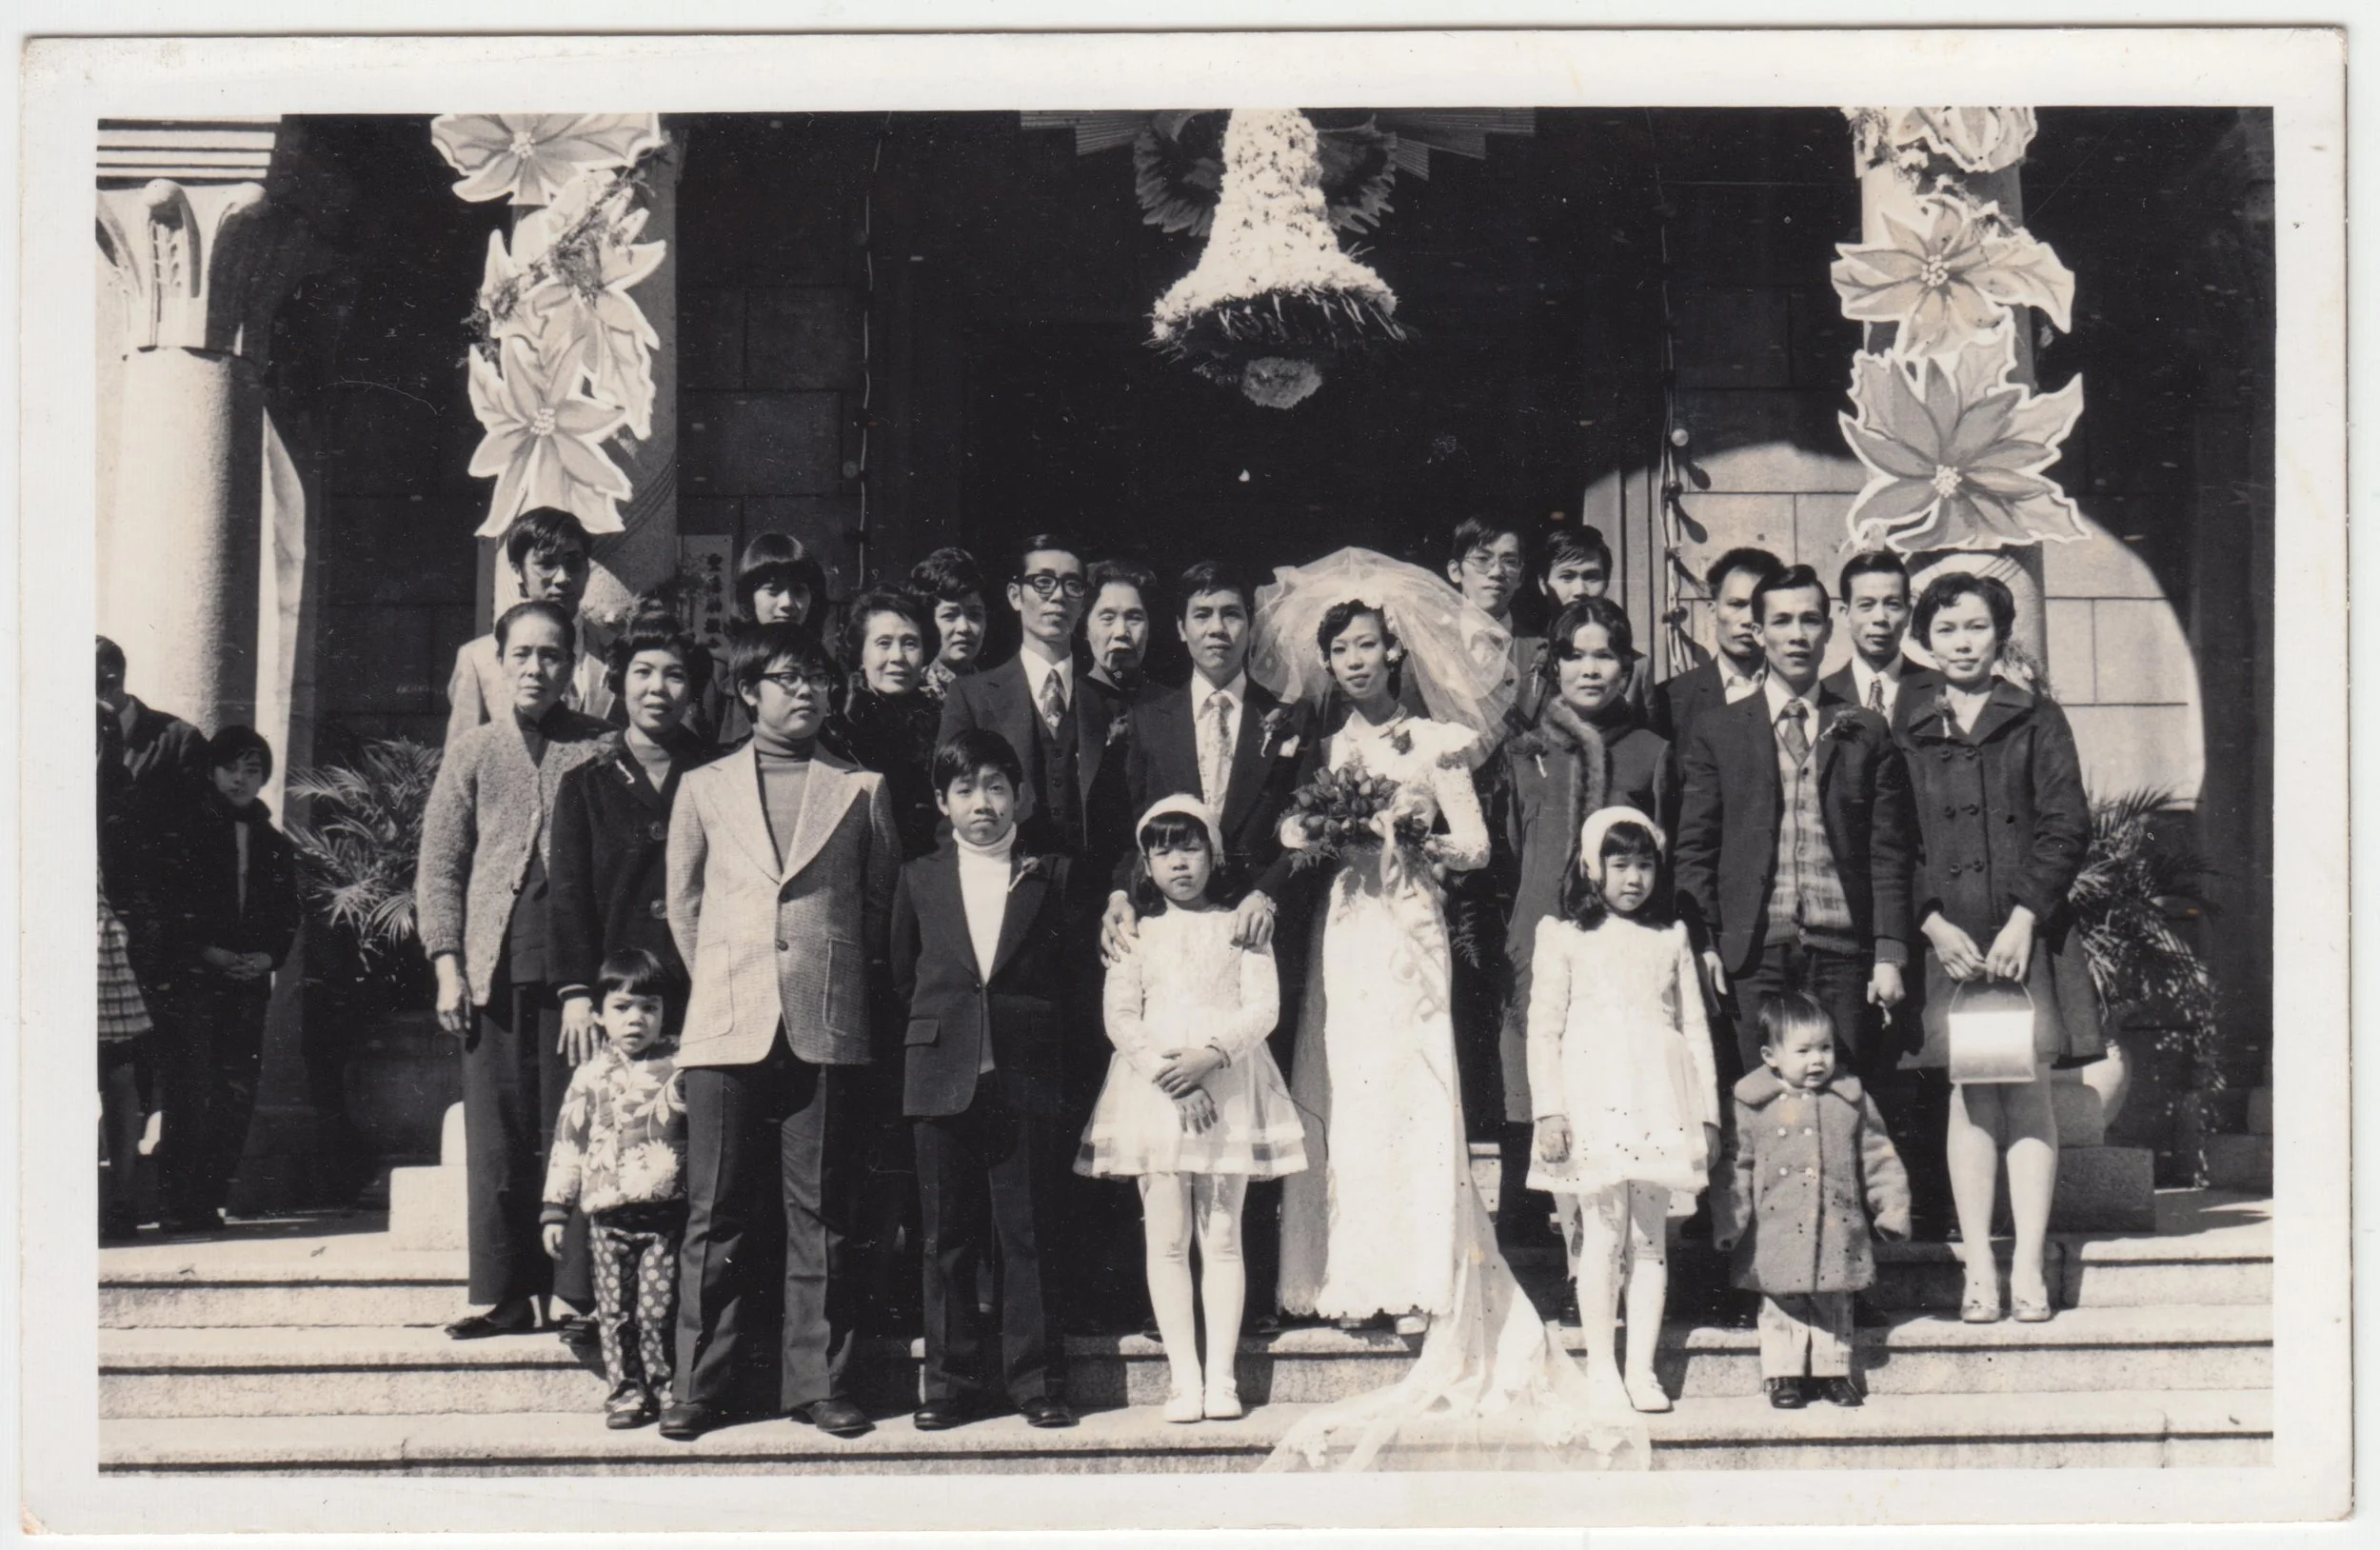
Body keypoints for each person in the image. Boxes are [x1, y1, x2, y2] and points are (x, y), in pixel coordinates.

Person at [1247, 547, 1644, 1474]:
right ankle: (1351, 1276)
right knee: (1348, 1089)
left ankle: (1425, 1275)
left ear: (1395, 650)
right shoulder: (1321, 744)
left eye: (1367, 645)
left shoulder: (1434, 743)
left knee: (1416, 1092)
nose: (1354, 660)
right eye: (1339, 647)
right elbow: (1290, 833)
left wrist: (1420, 831)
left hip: (1413, 927)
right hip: (1347, 931)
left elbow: (1474, 846)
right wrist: (1320, 835)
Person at [664, 623, 899, 1441]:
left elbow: (876, 908)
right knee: (715, 1211)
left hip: (826, 1022)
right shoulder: (703, 786)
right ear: (748, 690)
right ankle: (697, 1385)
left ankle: (820, 1384)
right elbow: (685, 904)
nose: (806, 692)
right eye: (787, 678)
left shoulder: (861, 787)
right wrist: (731, 980)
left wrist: (820, 982)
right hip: (726, 1022)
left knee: (823, 1212)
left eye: (819, 680)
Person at [1098, 559, 1316, 1332]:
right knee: (1166, 1127)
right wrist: (1124, 890)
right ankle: (1165, 1309)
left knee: (1244, 1115)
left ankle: (1246, 1306)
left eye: (1230, 613)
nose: (1217, 629)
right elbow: (1129, 825)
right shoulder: (1150, 716)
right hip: (1169, 941)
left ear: (1249, 627)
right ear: (1181, 629)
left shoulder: (1284, 719)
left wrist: (1269, 892)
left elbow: (1307, 827)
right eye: (1202, 616)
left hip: (1250, 937)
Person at [1894, 570, 2097, 1325]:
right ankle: (1978, 1263)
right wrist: (1932, 925)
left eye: (1975, 627)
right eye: (1945, 630)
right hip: (1952, 946)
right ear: (1927, 639)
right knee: (1971, 1097)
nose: (1961, 642)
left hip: (2024, 941)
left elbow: (2064, 824)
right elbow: (1892, 839)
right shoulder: (1909, 727)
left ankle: (2029, 1264)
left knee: (2028, 1094)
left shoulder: (2038, 719)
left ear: (2001, 634)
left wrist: (2023, 919)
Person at [417, 599, 619, 1340]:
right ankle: (503, 1293)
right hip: (491, 974)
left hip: (577, 977)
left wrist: (601, 985)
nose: (536, 669)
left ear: (573, 668)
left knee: (575, 1129)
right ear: (498, 664)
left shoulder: (602, 747)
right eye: (522, 655)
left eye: (552, 656)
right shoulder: (472, 752)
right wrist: (447, 965)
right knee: (498, 1135)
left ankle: (576, 1295)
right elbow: (439, 865)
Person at [1076, 797, 1306, 1421]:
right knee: (1169, 1236)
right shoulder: (1136, 933)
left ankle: (1222, 1379)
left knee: (1223, 1235)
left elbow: (1263, 1009)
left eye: (1191, 846)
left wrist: (1210, 1055)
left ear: (1215, 854)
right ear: (1146, 864)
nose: (1179, 861)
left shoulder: (1241, 925)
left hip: (1228, 1088)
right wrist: (1168, 1075)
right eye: (1163, 850)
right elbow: (1120, 1017)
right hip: (1155, 1095)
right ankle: (1184, 1378)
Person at [889, 729, 1082, 1432]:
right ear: (942, 802)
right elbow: (902, 976)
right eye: (966, 789)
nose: (983, 804)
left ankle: (1036, 1380)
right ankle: (947, 1384)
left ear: (1021, 799)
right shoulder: (918, 876)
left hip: (1025, 1072)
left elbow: (1071, 978)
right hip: (940, 1072)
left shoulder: (1049, 873)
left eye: (997, 787)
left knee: (1027, 1230)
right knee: (946, 1237)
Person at [1674, 564, 1914, 1088]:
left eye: (1810, 620)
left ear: (1830, 629)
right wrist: (1706, 943)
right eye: (1781, 621)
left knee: (1844, 1097)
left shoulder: (1866, 730)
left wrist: (1889, 952)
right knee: (1759, 1098)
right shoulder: (1720, 731)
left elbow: (1889, 851)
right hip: (1753, 953)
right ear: (1759, 633)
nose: (1797, 635)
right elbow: (1695, 848)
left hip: (1844, 957)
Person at [1499, 597, 1678, 1255]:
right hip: (1538, 944)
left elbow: (1668, 854)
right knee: (1534, 1088)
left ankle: (1614, 1258)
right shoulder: (1525, 752)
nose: (1591, 669)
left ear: (1627, 663)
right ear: (1554, 664)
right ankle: (1532, 1254)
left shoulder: (1652, 751)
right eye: (1575, 655)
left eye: (1606, 654)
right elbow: (1513, 847)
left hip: (1620, 955)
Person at [1526, 808, 1718, 1413]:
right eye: (1619, 864)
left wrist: (1707, 1115)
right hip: (1592, 1097)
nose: (1633, 879)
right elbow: (1542, 1029)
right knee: (1602, 1233)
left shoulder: (1671, 937)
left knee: (1649, 1238)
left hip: (1659, 1099)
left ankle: (1642, 1370)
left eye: (1644, 865)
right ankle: (1603, 1368)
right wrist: (1549, 1110)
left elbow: (1696, 1030)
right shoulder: (1561, 934)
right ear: (1590, 868)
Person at [1713, 992, 1911, 1409]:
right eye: (1803, 1051)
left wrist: (1891, 1207)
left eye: (1825, 1048)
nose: (1817, 1060)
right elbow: (1736, 1165)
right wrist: (1731, 1221)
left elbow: (1879, 1156)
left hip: (1835, 1224)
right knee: (1781, 1301)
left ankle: (1832, 1372)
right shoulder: (1752, 1104)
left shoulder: (1849, 1100)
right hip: (1776, 1225)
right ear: (1771, 1055)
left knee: (1834, 1299)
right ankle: (1782, 1374)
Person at [150, 725, 303, 1234]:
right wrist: (208, 952)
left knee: (237, 1089)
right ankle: (177, 1202)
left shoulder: (273, 842)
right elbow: (170, 902)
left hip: (248, 981)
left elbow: (287, 913)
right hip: (196, 978)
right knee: (191, 1086)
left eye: (252, 769)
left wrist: (265, 957)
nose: (241, 779)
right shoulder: (187, 828)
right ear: (213, 771)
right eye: (232, 768)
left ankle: (210, 1200)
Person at [540, 947, 688, 1430]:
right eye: (622, 1008)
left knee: (658, 1310)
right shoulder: (589, 1077)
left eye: (649, 1007)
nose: (636, 1019)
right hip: (607, 1220)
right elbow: (568, 1144)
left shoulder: (680, 1066)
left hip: (664, 1217)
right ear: (600, 1016)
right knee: (616, 1311)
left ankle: (667, 1390)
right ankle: (625, 1392)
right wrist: (556, 1211)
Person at [937, 534, 1122, 858]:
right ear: (1015, 596)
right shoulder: (971, 695)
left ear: (1083, 602)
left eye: (1072, 585)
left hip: (1093, 895)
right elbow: (950, 808)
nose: (1058, 597)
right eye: (1043, 582)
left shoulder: (1109, 700)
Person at [445, 507, 615, 745]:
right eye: (546, 564)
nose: (562, 578)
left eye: (573, 562)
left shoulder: (615, 651)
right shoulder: (478, 659)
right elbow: (459, 762)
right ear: (517, 571)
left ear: (587, 568)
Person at [839, 586, 945, 860]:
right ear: (861, 654)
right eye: (883, 643)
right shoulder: (840, 727)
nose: (897, 657)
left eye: (910, 643)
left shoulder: (943, 720)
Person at [1649, 546, 1784, 751]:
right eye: (1736, 604)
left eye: (1759, 606)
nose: (1748, 620)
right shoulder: (1670, 699)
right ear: (1713, 611)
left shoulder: (1796, 693)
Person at [710, 532, 833, 745]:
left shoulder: (827, 670)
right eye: (773, 590)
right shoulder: (718, 672)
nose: (788, 603)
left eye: (799, 591)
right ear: (749, 598)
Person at [1537, 526, 1653, 719]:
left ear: (1606, 583)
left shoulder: (1637, 665)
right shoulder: (1522, 655)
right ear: (1543, 584)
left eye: (1591, 577)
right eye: (1567, 576)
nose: (1580, 589)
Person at [1824, 549, 1941, 722]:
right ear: (1845, 614)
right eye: (1866, 605)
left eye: (1892, 604)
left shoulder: (1942, 689)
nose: (1880, 618)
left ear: (1908, 614)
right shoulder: (1822, 695)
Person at [910, 546, 990, 701]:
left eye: (975, 615)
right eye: (949, 615)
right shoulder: (911, 694)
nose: (964, 628)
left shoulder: (998, 694)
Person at [1083, 558, 1157, 701]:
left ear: (1149, 626)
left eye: (1134, 618)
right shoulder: (1064, 704)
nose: (1121, 632)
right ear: (1085, 628)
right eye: (1108, 618)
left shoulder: (1176, 706)